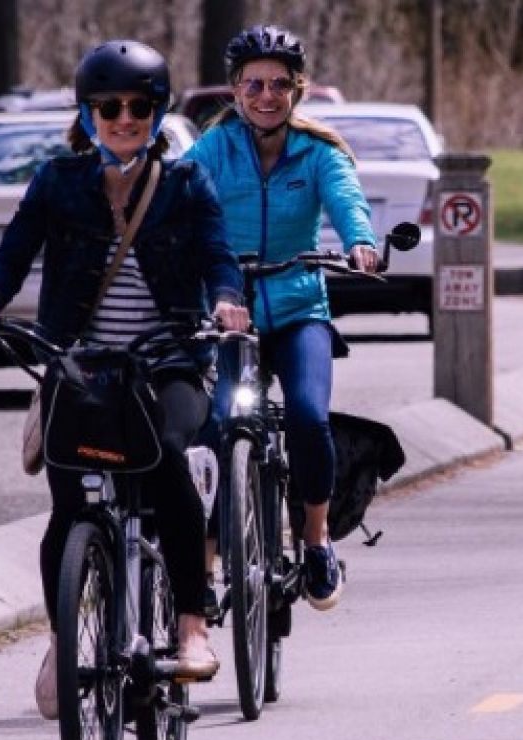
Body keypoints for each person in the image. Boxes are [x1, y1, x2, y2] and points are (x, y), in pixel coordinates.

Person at [0, 39, 249, 718]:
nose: (123, 118)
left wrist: (227, 300)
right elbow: (14, 254)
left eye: (139, 107)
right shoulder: (58, 182)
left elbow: (217, 255)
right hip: (79, 367)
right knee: (71, 510)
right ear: (86, 114)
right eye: (108, 106)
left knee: (166, 460)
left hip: (168, 358)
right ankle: (64, 635)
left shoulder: (184, 184)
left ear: (157, 111)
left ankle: (191, 628)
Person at [186, 24, 376, 612]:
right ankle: (208, 558)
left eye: (278, 85)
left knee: (308, 418)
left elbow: (347, 201)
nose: (265, 96)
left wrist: (361, 242)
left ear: (299, 89)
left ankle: (315, 543)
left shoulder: (319, 152)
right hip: (228, 314)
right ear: (235, 91)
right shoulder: (213, 149)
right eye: (253, 86)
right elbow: (178, 198)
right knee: (215, 425)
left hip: (298, 310)